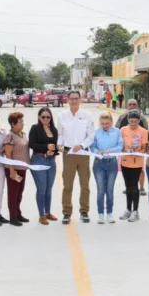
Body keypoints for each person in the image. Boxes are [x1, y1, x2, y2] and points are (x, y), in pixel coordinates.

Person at [57, 91, 95, 224]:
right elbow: (60, 134)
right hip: (68, 154)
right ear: (67, 100)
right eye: (71, 99)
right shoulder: (62, 116)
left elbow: (91, 136)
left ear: (80, 100)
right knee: (67, 185)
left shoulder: (87, 116)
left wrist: (82, 145)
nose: (74, 101)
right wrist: (59, 144)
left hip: (83, 154)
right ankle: (66, 212)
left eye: (76, 99)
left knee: (85, 185)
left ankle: (84, 211)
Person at [91, 112, 122, 224]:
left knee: (109, 190)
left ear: (111, 122)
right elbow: (92, 146)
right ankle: (100, 214)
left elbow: (120, 145)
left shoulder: (116, 132)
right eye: (103, 123)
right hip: (99, 163)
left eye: (107, 123)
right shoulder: (96, 132)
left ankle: (109, 213)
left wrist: (112, 150)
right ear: (100, 122)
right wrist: (97, 151)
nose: (105, 125)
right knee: (101, 190)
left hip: (112, 163)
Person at [29, 108, 59, 225]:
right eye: (43, 117)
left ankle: (47, 212)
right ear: (39, 117)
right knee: (41, 188)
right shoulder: (35, 128)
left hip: (51, 161)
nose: (46, 119)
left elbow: (56, 145)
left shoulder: (54, 129)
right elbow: (32, 144)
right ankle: (41, 215)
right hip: (38, 160)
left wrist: (54, 151)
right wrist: (46, 146)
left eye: (48, 117)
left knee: (48, 189)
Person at [118, 110, 147, 222]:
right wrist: (126, 149)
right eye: (131, 121)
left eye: (135, 121)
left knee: (134, 187)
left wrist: (138, 151)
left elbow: (145, 148)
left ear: (139, 121)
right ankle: (128, 209)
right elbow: (120, 145)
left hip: (137, 162)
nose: (133, 123)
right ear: (128, 120)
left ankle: (135, 211)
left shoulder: (143, 131)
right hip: (125, 161)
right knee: (128, 187)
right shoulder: (123, 130)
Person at [115, 99, 148, 196]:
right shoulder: (122, 117)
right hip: (125, 150)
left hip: (139, 150)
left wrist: (142, 149)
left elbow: (147, 129)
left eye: (134, 104)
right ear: (127, 106)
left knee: (141, 170)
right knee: (126, 170)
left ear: (137, 106)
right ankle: (128, 187)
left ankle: (141, 188)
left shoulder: (142, 118)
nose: (132, 105)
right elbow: (117, 130)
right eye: (130, 104)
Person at [3, 112, 30, 227]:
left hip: (22, 169)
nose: (23, 123)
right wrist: (12, 170)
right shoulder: (10, 136)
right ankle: (13, 217)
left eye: (22, 121)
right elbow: (8, 154)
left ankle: (18, 213)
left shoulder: (23, 134)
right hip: (13, 169)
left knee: (19, 193)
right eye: (20, 122)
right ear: (13, 124)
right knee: (13, 193)